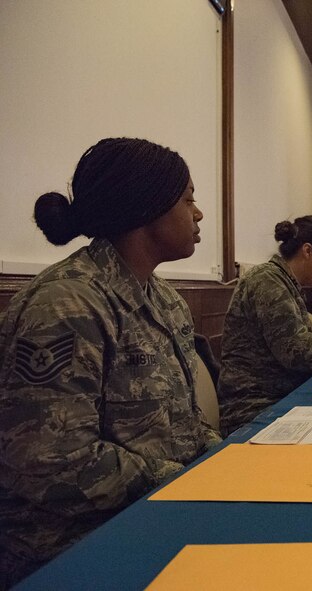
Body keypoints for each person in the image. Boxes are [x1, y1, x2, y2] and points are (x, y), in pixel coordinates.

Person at [0, 138, 220, 587]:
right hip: (75, 545)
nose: (198, 214)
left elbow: (183, 426)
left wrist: (225, 462)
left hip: (159, 510)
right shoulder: (65, 304)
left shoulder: (165, 301)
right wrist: (185, 480)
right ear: (147, 207)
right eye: (188, 199)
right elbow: (49, 461)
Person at [217, 216, 312, 436]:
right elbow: (300, 354)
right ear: (307, 251)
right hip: (255, 411)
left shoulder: (285, 282)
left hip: (282, 399)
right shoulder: (267, 280)